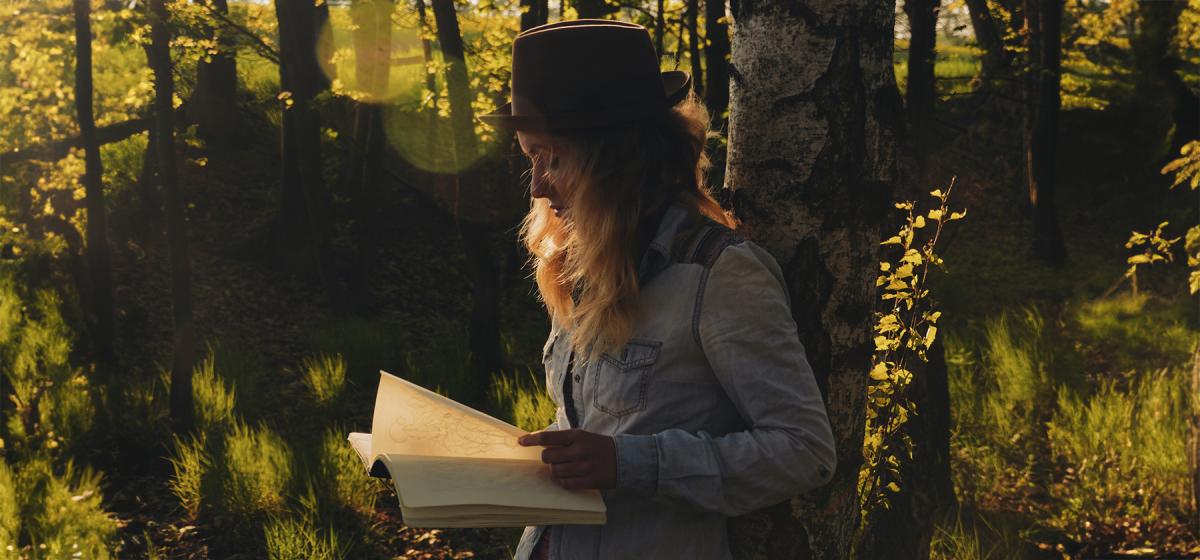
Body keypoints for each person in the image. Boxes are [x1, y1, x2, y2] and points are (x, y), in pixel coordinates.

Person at [479, 19, 837, 560]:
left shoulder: (719, 275)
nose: (535, 185)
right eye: (528, 156)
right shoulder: (579, 264)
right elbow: (591, 423)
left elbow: (805, 449)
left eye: (550, 157)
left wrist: (630, 464)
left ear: (616, 160)